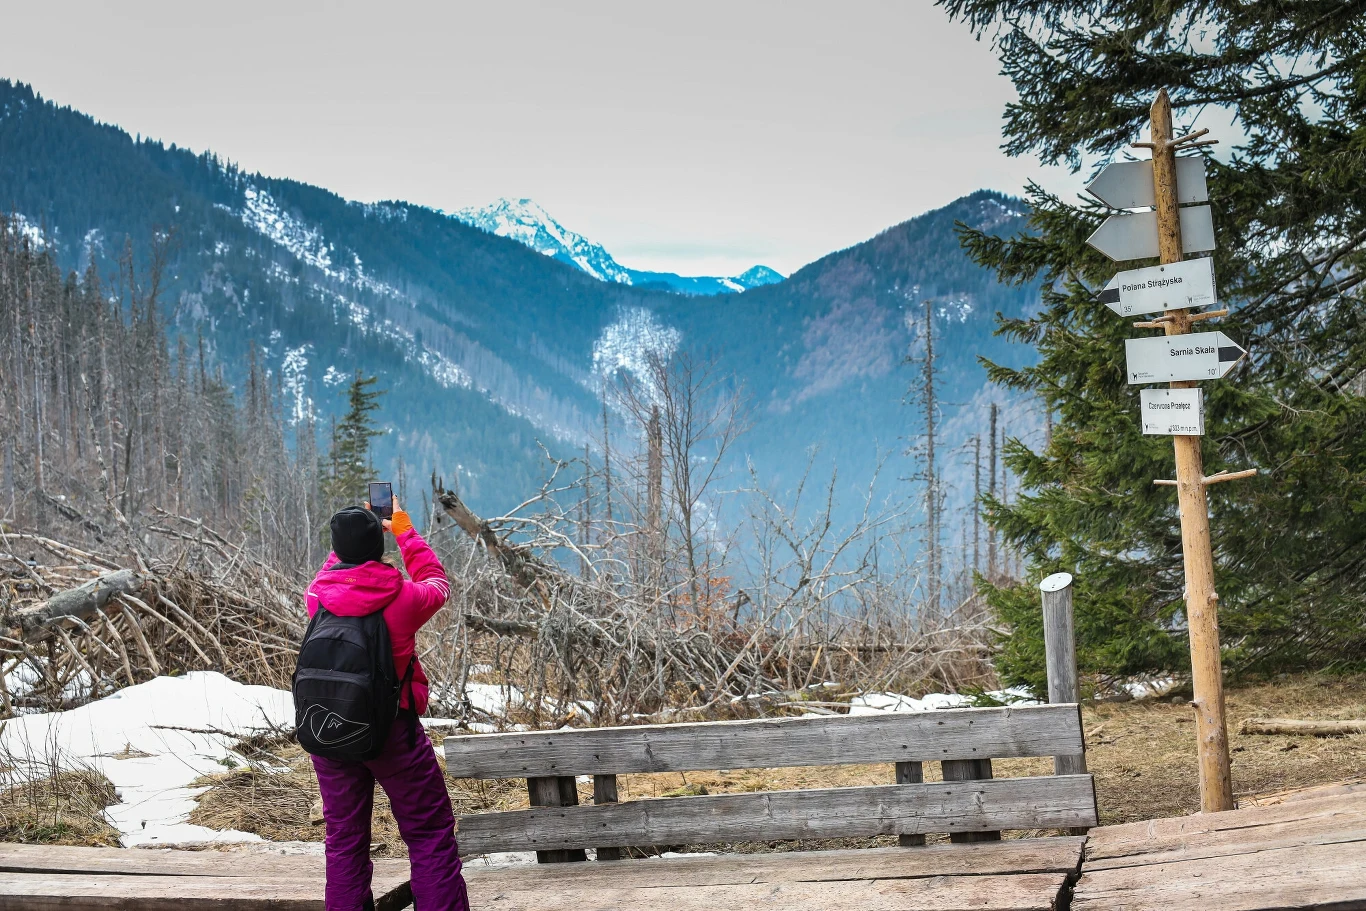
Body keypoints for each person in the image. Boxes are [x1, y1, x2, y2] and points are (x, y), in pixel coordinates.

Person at [306, 501, 469, 911]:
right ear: (378, 546)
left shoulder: (317, 595)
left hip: (329, 730)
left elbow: (335, 571)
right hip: (392, 732)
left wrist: (348, 542)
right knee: (429, 835)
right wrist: (403, 530)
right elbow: (437, 582)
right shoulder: (403, 597)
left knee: (343, 842)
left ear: (337, 550)